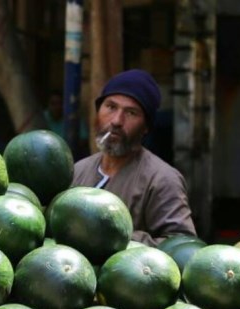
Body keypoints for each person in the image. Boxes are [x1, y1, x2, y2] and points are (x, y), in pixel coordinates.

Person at [72, 69, 197, 246]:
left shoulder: (162, 180)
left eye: (131, 112)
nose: (116, 121)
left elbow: (183, 245)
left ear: (145, 127)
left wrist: (116, 235)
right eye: (111, 107)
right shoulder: (79, 170)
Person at [44, 90, 89, 160]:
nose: (57, 107)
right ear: (48, 105)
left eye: (59, 103)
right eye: (53, 104)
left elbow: (84, 139)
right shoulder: (43, 118)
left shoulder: (72, 117)